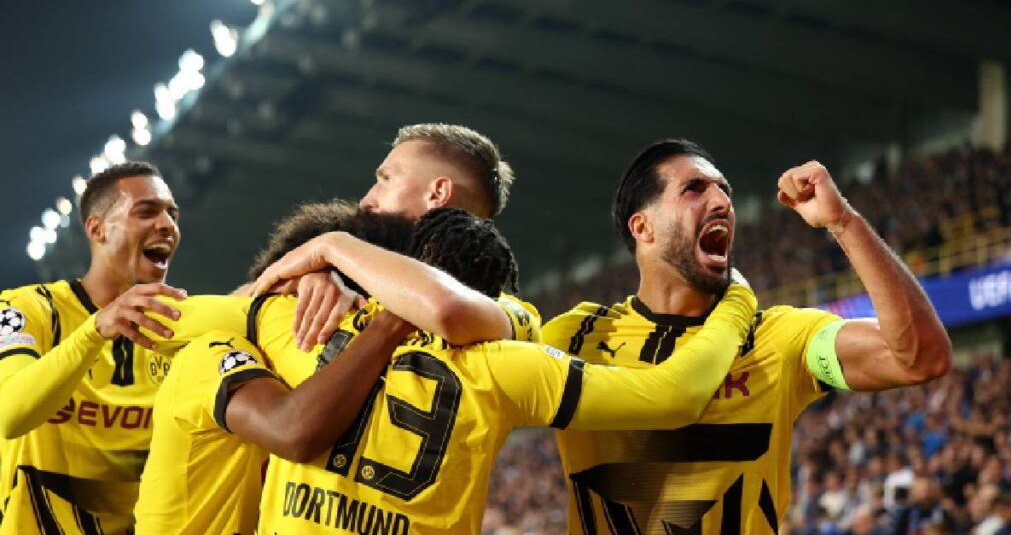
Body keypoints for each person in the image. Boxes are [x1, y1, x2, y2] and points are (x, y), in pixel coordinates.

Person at [253, 207, 758, 534]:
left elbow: (210, 317)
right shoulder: (509, 357)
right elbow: (674, 395)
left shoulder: (306, 322)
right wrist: (736, 301)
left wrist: (319, 265)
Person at [541, 139, 952, 533]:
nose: (721, 202)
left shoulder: (778, 338)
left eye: (725, 192)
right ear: (643, 226)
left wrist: (843, 222)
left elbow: (920, 358)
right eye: (694, 189)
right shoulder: (579, 335)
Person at [134, 203, 535, 534]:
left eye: (387, 177)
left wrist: (331, 256)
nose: (372, 197)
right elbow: (292, 430)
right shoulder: (217, 353)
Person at [0, 162, 187, 534]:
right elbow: (10, 413)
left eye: (172, 214)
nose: (167, 225)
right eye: (147, 212)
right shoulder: (29, 310)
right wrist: (94, 331)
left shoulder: (182, 329)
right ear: (97, 229)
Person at [290, 122, 537, 350]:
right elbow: (251, 295)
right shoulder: (335, 281)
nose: (366, 201)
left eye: (386, 180)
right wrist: (308, 277)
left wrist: (333, 246)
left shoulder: (508, 313)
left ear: (437, 193)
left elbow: (447, 308)